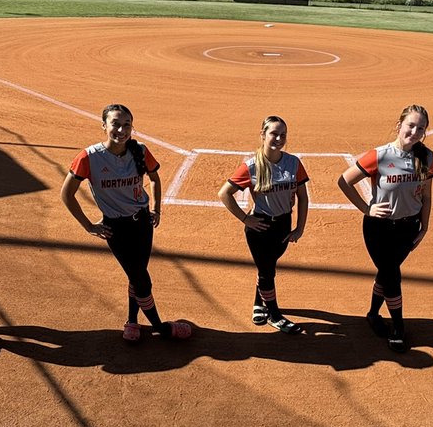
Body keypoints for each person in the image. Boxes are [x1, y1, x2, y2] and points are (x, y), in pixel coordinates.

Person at [60, 104, 192, 342]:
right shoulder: (89, 157)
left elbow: (154, 178)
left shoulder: (140, 150)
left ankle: (132, 321)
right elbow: (66, 194)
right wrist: (88, 226)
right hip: (116, 229)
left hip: (142, 224)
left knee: (136, 274)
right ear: (104, 126)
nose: (121, 130)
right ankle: (160, 327)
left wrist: (156, 209)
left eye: (126, 125)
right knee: (142, 278)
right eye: (115, 124)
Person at [338, 105, 433, 353]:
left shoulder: (426, 156)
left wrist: (424, 227)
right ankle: (398, 327)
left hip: (408, 228)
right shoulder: (379, 155)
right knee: (392, 274)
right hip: (379, 229)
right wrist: (366, 208)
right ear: (399, 125)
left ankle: (373, 313)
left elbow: (426, 195)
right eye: (410, 125)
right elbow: (344, 181)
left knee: (386, 273)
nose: (414, 132)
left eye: (420, 128)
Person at [218, 116, 310, 334]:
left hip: (283, 225)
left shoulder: (294, 163)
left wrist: (299, 228)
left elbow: (303, 197)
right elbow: (224, 193)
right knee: (267, 272)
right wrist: (245, 219)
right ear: (262, 135)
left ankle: (258, 302)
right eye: (273, 134)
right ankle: (275, 315)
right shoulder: (251, 166)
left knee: (267, 267)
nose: (278, 138)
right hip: (260, 227)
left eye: (283, 135)